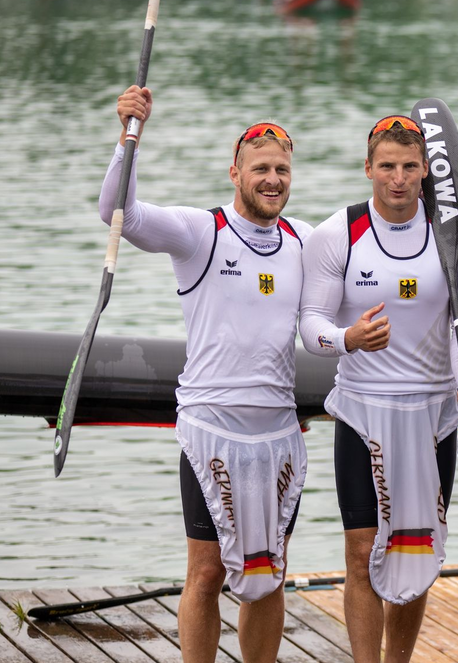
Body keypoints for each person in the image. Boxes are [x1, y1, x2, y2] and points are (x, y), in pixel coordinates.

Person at [101, 86, 310, 663]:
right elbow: (119, 215)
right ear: (235, 173)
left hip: (277, 434)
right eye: (261, 168)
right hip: (209, 429)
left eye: (282, 170)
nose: (273, 180)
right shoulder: (201, 232)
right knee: (207, 570)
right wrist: (128, 140)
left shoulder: (305, 243)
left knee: (269, 572)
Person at [298, 115, 458, 663]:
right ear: (368, 169)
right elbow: (311, 323)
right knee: (361, 554)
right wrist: (347, 338)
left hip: (435, 415)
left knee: (413, 550)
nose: (398, 179)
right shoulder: (339, 233)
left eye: (410, 167)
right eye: (387, 167)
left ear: (426, 171)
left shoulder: (456, 233)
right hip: (362, 411)